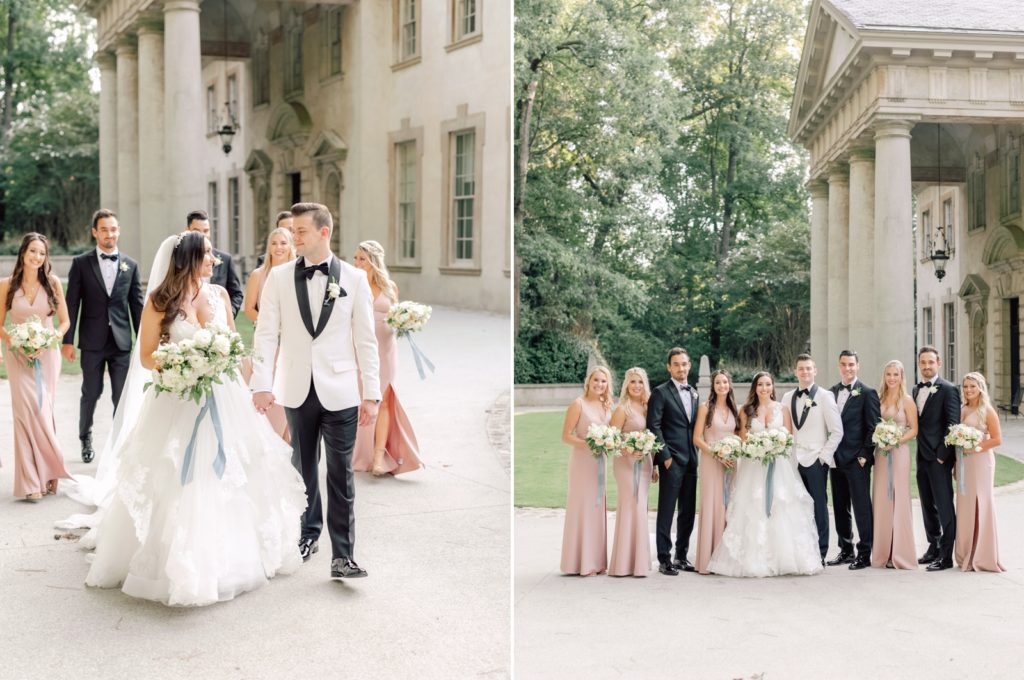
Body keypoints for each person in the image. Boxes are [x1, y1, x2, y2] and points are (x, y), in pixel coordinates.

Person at [83, 231, 306, 606]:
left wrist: (249, 381)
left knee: (230, 471)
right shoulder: (159, 301)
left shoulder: (219, 295)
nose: (213, 260)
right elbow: (147, 357)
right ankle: (178, 563)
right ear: (186, 259)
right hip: (179, 397)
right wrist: (185, 366)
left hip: (224, 396)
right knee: (179, 474)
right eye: (205, 255)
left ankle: (231, 556)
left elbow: (234, 346)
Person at [252, 202, 381, 580]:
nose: (294, 238)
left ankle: (343, 555)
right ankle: (307, 535)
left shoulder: (355, 279)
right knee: (303, 468)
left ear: (324, 232)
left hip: (340, 389)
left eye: (302, 231)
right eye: (293, 231)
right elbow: (265, 334)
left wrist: (371, 394)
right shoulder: (277, 278)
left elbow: (367, 341)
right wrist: (261, 383)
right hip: (296, 387)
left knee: (340, 472)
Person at [707, 372, 823, 577]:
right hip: (755, 466)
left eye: (768, 384)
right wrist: (759, 448)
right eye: (760, 384)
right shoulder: (746, 411)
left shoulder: (783, 409)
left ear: (772, 387)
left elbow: (789, 438)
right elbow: (743, 440)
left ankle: (786, 558)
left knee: (783, 506)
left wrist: (775, 448)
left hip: (779, 467)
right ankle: (754, 559)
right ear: (755, 387)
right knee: (754, 507)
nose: (764, 388)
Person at [61, 209, 144, 463]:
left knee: (121, 394)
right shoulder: (81, 264)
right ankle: (85, 438)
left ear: (118, 231)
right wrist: (67, 340)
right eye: (105, 229)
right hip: (92, 341)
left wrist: (143, 340)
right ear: (95, 232)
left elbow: (137, 305)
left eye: (114, 229)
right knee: (91, 391)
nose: (110, 234)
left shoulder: (131, 265)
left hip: (121, 342)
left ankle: (119, 443)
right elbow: (71, 304)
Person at [0, 233, 73, 500]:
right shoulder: (6, 285)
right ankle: (30, 483)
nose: (37, 257)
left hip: (46, 355)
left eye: (42, 253)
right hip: (17, 356)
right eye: (33, 251)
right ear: (23, 253)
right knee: (24, 415)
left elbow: (64, 322)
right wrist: (16, 341)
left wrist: (50, 339)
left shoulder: (52, 282)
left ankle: (48, 476)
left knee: (42, 412)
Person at [351, 240, 423, 476]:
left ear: (373, 261)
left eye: (362, 258)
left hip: (386, 349)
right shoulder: (352, 284)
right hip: (359, 349)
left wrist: (406, 320)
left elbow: (395, 314)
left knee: (383, 400)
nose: (357, 263)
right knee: (362, 399)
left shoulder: (390, 287)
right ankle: (360, 454)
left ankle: (379, 457)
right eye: (356, 258)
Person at [782, 354, 843, 565]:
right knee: (796, 506)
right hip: (793, 461)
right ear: (795, 371)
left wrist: (823, 458)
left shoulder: (825, 397)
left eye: (808, 368)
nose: (805, 372)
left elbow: (837, 431)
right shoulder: (787, 397)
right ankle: (801, 550)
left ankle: (821, 552)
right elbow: (786, 430)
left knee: (819, 507)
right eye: (801, 368)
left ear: (815, 371)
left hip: (816, 460)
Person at [239, 227, 296, 443]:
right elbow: (249, 310)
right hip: (265, 341)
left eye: (283, 243)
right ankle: (270, 440)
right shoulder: (258, 275)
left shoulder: (297, 274)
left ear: (290, 246)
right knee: (267, 389)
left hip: (291, 344)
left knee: (287, 394)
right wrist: (271, 324)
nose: (278, 247)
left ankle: (288, 443)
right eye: (274, 243)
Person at [647, 347, 699, 575]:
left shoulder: (694, 393)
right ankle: (664, 559)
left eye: (684, 364)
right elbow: (654, 425)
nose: (681, 368)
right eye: (676, 364)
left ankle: (681, 556)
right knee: (667, 510)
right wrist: (664, 457)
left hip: (692, 460)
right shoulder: (660, 393)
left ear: (689, 365)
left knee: (687, 511)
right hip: (672, 460)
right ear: (669, 367)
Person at [827, 350, 880, 570]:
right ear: (839, 366)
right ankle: (846, 550)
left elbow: (873, 426)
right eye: (843, 364)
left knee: (861, 507)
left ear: (858, 366)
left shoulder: (867, 392)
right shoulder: (831, 392)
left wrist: (864, 456)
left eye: (851, 364)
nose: (847, 368)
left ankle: (865, 552)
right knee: (840, 507)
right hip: (835, 460)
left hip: (857, 460)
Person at [559, 365, 613, 576]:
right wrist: (589, 444)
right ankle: (578, 562)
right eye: (596, 380)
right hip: (582, 463)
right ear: (589, 381)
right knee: (583, 507)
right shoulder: (578, 404)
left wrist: (608, 442)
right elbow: (566, 436)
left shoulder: (606, 405)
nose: (599, 384)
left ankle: (596, 562)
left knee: (597, 507)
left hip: (600, 463)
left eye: (603, 381)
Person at [914, 345, 961, 571]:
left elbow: (953, 424)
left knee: (944, 507)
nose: (926, 366)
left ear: (939, 363)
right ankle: (933, 546)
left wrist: (943, 456)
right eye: (923, 362)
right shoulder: (915, 389)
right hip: (921, 457)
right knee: (927, 506)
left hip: (939, 458)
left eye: (930, 362)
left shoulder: (949, 389)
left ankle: (946, 556)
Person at [954, 372, 1004, 572]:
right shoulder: (962, 409)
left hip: (981, 461)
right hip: (963, 462)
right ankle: (967, 552)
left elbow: (997, 439)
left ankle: (983, 555)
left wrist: (975, 447)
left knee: (982, 503)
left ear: (980, 388)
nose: (968, 390)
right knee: (965, 505)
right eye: (965, 386)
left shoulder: (987, 410)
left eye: (972, 386)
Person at [871, 360, 919, 569]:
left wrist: (895, 441)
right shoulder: (878, 398)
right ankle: (883, 552)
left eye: (895, 375)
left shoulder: (907, 400)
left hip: (899, 453)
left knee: (899, 497)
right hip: (881, 454)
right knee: (882, 498)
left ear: (901, 377)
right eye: (888, 374)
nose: (892, 378)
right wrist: (881, 440)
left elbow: (914, 430)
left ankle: (901, 553)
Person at [608, 367, 655, 577]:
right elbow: (612, 440)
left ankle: (639, 562)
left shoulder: (648, 407)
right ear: (627, 385)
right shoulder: (622, 409)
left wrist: (654, 466)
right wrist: (627, 450)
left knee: (640, 507)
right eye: (633, 382)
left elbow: (652, 438)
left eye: (640, 382)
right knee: (630, 506)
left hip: (644, 463)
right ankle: (623, 564)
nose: (637, 386)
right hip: (625, 464)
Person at [692, 369, 739, 575]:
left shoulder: (734, 408)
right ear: (713, 386)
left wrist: (733, 453)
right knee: (713, 505)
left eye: (725, 382)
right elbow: (697, 438)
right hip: (712, 461)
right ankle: (707, 559)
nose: (722, 386)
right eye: (718, 383)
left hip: (731, 462)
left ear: (729, 385)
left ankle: (725, 559)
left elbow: (738, 435)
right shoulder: (705, 408)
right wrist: (716, 453)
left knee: (729, 505)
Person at [186, 210, 243, 317]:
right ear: (187, 230)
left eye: (206, 231)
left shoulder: (226, 259)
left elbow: (237, 294)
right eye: (197, 231)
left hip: (218, 323)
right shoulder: (181, 259)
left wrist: (228, 314)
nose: (202, 235)